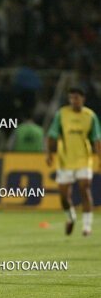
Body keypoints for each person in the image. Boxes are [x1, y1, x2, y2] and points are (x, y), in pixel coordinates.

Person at [46, 87, 101, 236]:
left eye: (76, 98)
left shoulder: (90, 116)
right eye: (71, 98)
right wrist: (49, 153)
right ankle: (71, 217)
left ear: (83, 99)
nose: (73, 101)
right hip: (65, 160)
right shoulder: (62, 114)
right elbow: (52, 134)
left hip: (84, 158)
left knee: (85, 188)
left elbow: (97, 139)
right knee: (64, 196)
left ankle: (87, 227)